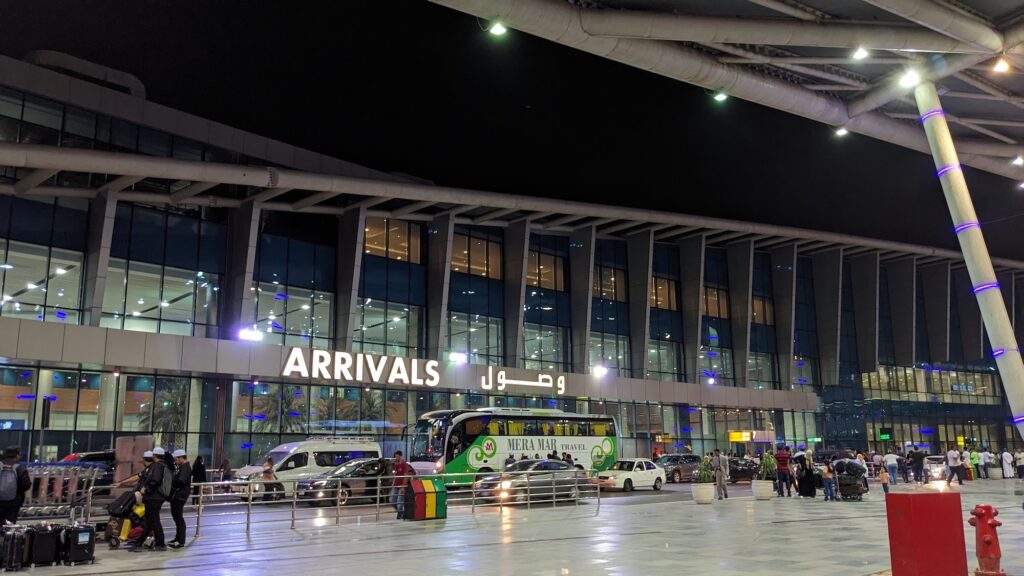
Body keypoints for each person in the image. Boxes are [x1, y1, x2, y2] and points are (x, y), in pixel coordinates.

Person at [127, 447, 169, 552]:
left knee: (154, 521)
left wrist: (146, 489)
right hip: (157, 497)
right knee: (150, 521)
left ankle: (160, 543)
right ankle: (139, 543)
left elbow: (155, 480)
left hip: (154, 497)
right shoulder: (163, 466)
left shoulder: (157, 466)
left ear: (154, 456)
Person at [0, 446, 31, 525]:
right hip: (14, 502)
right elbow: (26, 485)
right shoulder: (20, 468)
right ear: (17, 455)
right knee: (10, 524)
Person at [168, 449, 191, 549]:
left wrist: (172, 480)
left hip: (180, 495)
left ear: (181, 458)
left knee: (178, 517)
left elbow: (181, 481)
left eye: (176, 459)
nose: (175, 461)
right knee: (177, 517)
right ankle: (178, 538)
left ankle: (180, 540)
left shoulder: (185, 468)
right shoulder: (183, 467)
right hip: (179, 495)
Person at [390, 451, 415, 520]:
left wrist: (403, 486)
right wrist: (392, 481)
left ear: (400, 456)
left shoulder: (404, 464)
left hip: (401, 486)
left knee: (400, 502)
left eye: (397, 457)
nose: (396, 458)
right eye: (395, 457)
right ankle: (401, 512)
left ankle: (400, 514)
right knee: (392, 501)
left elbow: (406, 476)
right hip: (395, 485)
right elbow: (395, 474)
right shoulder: (396, 464)